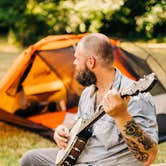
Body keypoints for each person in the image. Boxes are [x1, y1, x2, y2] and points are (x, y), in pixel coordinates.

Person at [20, 33, 158, 166]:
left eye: (77, 59)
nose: (74, 63)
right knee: (30, 159)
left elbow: (148, 156)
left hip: (105, 163)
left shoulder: (136, 97)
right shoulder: (88, 92)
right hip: (81, 157)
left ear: (91, 62)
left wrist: (122, 116)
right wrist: (63, 132)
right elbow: (79, 124)